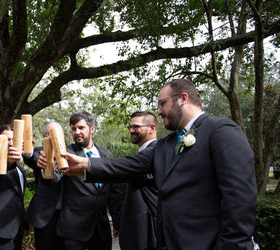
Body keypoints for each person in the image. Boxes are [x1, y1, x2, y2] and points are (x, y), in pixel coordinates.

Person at [62, 79, 258, 249]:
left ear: (183, 98)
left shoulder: (221, 131)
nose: (159, 111)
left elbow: (239, 200)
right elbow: (130, 165)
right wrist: (86, 164)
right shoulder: (165, 144)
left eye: (162, 104)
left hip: (208, 242)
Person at [56, 111, 122, 250]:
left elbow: (113, 193)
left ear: (92, 128)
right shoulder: (65, 154)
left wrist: (117, 222)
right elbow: (56, 176)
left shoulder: (107, 155)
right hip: (73, 230)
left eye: (81, 128)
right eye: (73, 129)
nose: (77, 132)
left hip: (101, 229)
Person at [0, 124, 27, 250]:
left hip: (16, 229)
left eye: (13, 139)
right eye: (7, 139)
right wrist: (9, 163)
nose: (10, 143)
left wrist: (24, 224)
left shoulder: (19, 169)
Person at [120, 111, 159, 250]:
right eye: (130, 127)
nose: (131, 130)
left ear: (152, 128)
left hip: (149, 232)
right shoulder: (143, 153)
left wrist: (86, 165)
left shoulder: (156, 151)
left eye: (136, 127)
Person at [23, 122, 63, 250]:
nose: (53, 137)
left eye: (56, 133)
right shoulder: (39, 152)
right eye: (49, 133)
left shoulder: (70, 153)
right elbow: (32, 158)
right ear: (44, 137)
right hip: (44, 216)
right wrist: (27, 153)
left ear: (62, 135)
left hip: (67, 216)